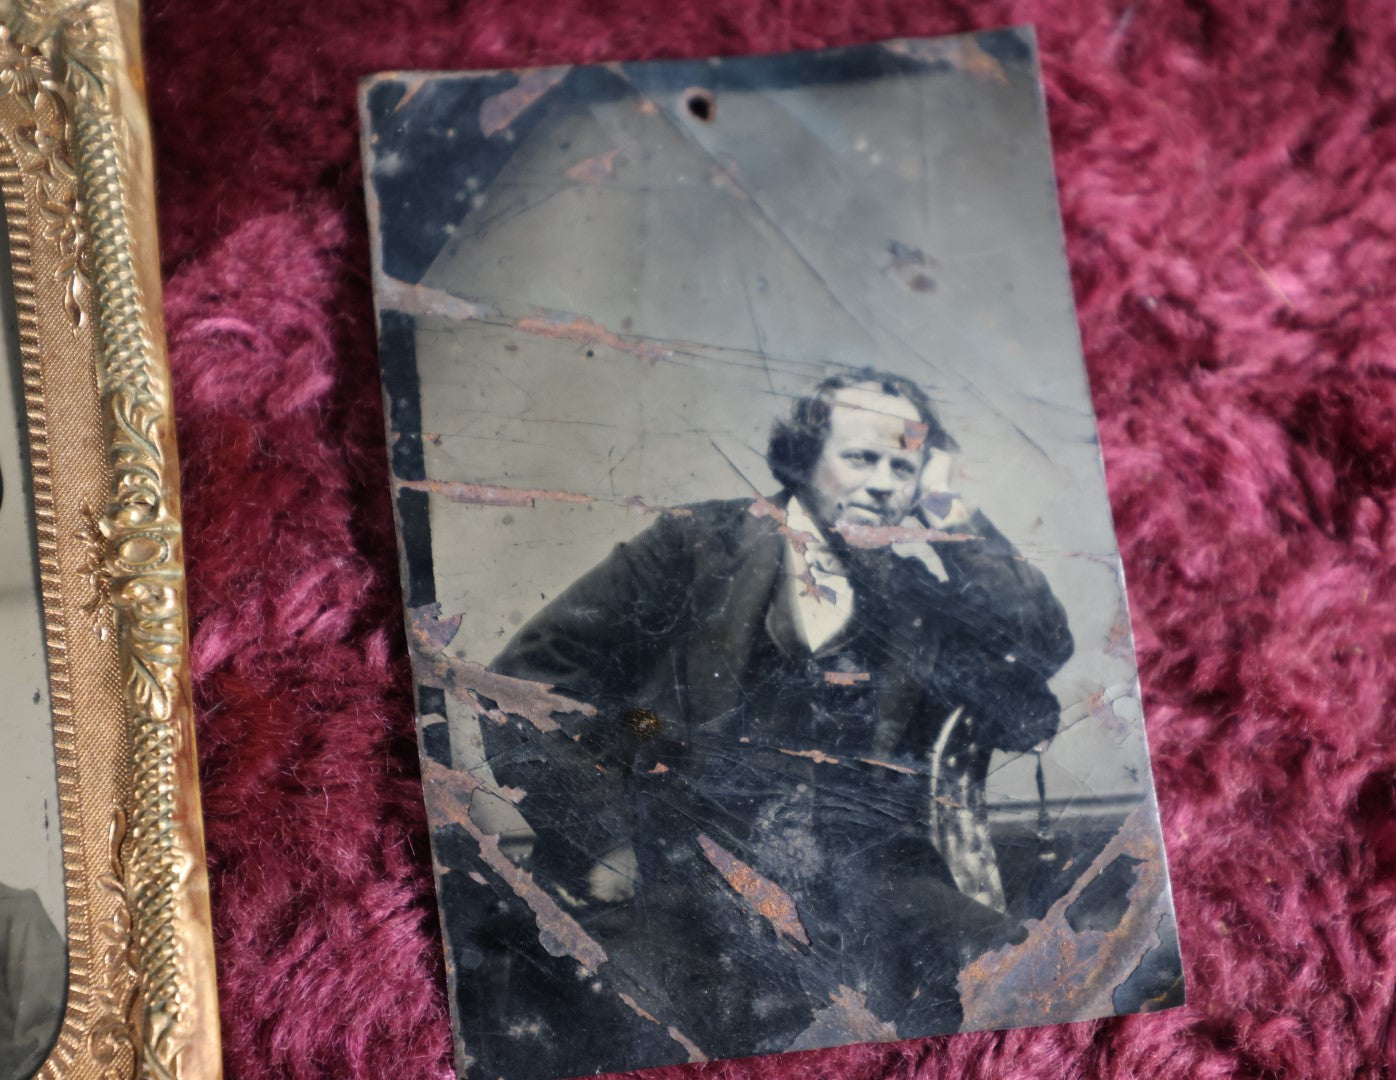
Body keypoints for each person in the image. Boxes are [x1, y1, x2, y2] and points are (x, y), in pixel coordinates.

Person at [478, 369, 1073, 1060]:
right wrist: (606, 832)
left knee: (1039, 984)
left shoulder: (915, 592)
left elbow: (1040, 643)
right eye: (860, 458)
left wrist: (952, 511)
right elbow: (524, 681)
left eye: (903, 467)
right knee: (634, 1026)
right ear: (802, 460)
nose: (883, 483)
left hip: (873, 887)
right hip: (679, 874)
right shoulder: (696, 545)